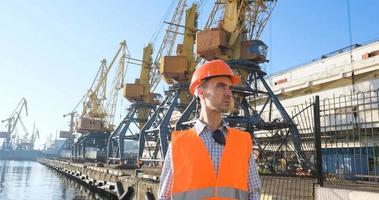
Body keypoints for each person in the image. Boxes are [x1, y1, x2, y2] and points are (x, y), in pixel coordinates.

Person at [158, 59, 261, 200]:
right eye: (221, 86)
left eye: (229, 88)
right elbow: (165, 196)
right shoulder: (178, 144)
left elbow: (254, 192)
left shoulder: (243, 141)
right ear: (201, 92)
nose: (229, 93)